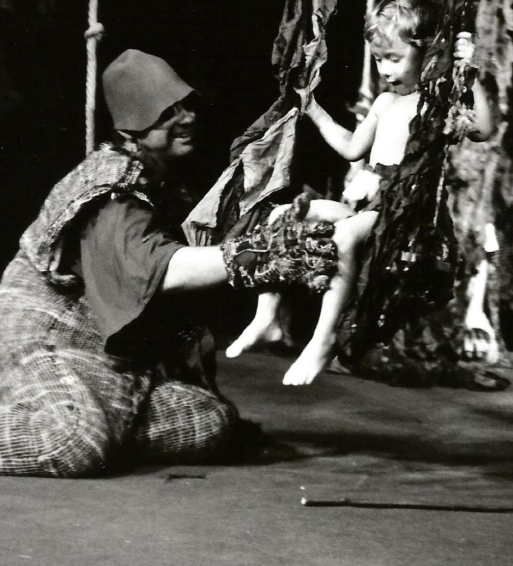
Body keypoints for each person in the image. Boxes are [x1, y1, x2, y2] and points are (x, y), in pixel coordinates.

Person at [0, 49, 338, 477]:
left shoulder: (160, 178)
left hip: (118, 359)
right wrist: (262, 254)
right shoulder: (111, 191)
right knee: (75, 441)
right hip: (48, 344)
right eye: (167, 113)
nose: (187, 118)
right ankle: (85, 426)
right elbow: (163, 270)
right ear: (133, 125)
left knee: (209, 422)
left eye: (186, 106)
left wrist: (286, 222)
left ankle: (105, 429)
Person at [226, 0, 494, 385]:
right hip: (372, 206)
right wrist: (314, 111)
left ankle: (323, 339)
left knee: (346, 235)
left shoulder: (435, 104)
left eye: (394, 58)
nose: (385, 69)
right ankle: (268, 318)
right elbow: (353, 148)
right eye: (379, 59)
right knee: (286, 215)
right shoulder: (385, 103)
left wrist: (467, 71)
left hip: (407, 215)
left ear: (426, 50)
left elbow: (482, 130)